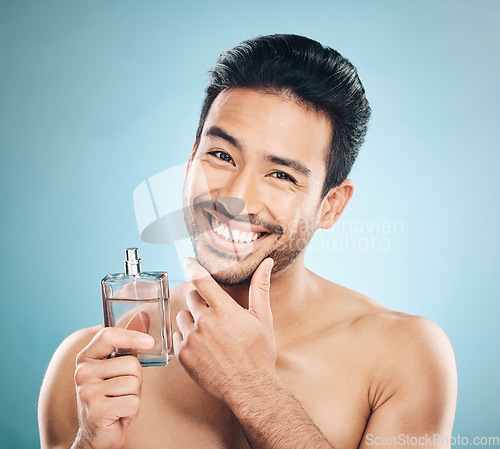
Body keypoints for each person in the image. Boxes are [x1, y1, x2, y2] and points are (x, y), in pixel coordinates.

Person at [38, 34, 457, 449]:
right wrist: (90, 444)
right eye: (221, 156)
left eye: (281, 175)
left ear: (331, 206)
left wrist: (253, 391)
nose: (236, 198)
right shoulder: (90, 367)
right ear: (189, 162)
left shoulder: (405, 357)